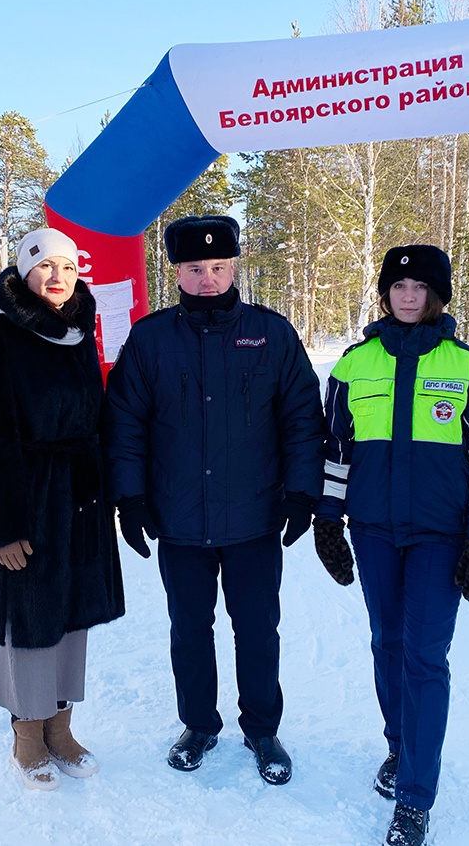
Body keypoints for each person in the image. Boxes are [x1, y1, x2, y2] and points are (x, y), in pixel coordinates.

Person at [103, 214, 324, 785]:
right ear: (177, 270)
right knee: (189, 628)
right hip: (179, 520)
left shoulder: (271, 335)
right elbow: (125, 422)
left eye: (219, 267)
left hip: (253, 518)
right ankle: (199, 724)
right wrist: (130, 498)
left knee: (256, 629)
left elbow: (302, 418)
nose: (207, 279)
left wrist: (302, 493)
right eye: (195, 269)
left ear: (235, 267)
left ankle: (262, 730)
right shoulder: (151, 339)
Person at [312, 244, 469, 846]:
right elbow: (336, 452)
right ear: (385, 293)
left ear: (436, 296)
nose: (407, 295)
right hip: (374, 532)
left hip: (439, 536)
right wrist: (328, 519)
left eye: (419, 287)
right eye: (397, 285)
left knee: (425, 657)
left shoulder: (468, 367)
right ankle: (400, 750)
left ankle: (415, 797)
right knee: (387, 643)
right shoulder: (354, 366)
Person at [0, 227, 125, 791]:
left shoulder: (81, 333)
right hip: (26, 498)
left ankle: (61, 727)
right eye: (44, 266)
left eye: (66, 266)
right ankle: (27, 733)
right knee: (29, 620)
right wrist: (0, 527)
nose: (57, 277)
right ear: (24, 273)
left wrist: (113, 493)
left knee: (73, 615)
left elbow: (94, 419)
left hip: (81, 496)